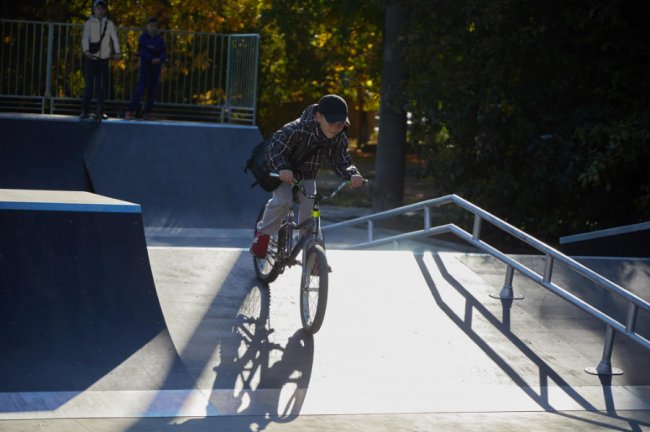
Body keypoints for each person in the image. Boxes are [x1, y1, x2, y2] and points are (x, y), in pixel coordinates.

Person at [251, 94, 365, 258]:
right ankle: (263, 236)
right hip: (283, 173)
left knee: (310, 210)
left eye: (341, 123)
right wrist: (283, 168)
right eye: (332, 121)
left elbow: (341, 160)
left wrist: (352, 174)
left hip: (307, 175)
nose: (337, 127)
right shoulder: (296, 129)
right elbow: (275, 150)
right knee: (284, 201)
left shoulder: (338, 138)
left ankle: (313, 254)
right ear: (319, 117)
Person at [80, 0, 121, 119]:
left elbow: (114, 38)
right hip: (91, 58)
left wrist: (117, 52)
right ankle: (85, 110)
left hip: (103, 59)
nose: (100, 10)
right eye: (98, 8)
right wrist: (86, 51)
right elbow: (85, 38)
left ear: (105, 10)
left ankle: (100, 110)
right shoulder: (89, 23)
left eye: (102, 8)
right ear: (94, 9)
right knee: (88, 86)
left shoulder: (109, 24)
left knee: (101, 86)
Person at [124, 17, 166, 120]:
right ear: (147, 27)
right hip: (146, 65)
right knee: (141, 88)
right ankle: (131, 111)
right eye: (151, 25)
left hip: (156, 67)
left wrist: (160, 59)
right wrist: (151, 58)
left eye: (155, 26)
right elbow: (141, 50)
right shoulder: (143, 37)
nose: (153, 28)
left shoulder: (160, 40)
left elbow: (163, 52)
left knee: (153, 90)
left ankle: (148, 112)